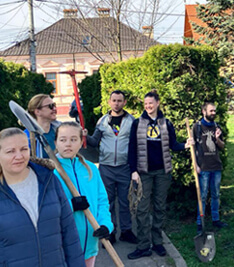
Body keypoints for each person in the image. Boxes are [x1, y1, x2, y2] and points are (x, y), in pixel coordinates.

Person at [0, 127, 85, 266]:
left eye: (24, 149)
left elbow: (69, 233)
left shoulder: (48, 180)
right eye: (10, 151)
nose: (19, 156)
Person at [127, 91, 192, 260]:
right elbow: (132, 147)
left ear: (157, 103)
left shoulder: (166, 123)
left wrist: (186, 145)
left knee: (159, 207)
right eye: (145, 103)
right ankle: (143, 245)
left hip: (163, 172)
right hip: (143, 172)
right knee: (141, 208)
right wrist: (133, 170)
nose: (148, 106)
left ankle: (157, 242)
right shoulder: (137, 123)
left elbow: (173, 145)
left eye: (151, 103)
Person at [54, 122, 113, 267]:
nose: (68, 144)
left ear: (81, 142)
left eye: (74, 139)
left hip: (89, 244)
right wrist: (71, 205)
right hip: (63, 246)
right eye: (63, 140)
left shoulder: (90, 168)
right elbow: (47, 208)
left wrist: (105, 224)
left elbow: (102, 200)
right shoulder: (51, 172)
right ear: (55, 142)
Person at [83, 90, 136, 245]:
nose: (117, 103)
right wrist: (85, 136)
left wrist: (135, 168)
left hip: (124, 166)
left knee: (125, 201)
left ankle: (126, 231)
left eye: (120, 100)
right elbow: (94, 142)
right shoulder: (102, 121)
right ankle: (111, 231)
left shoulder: (131, 121)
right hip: (106, 167)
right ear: (109, 102)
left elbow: (135, 145)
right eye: (114, 100)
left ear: (124, 102)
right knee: (108, 201)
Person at [193, 102, 228, 234]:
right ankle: (199, 222)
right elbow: (193, 147)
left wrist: (218, 138)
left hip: (216, 166)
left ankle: (215, 219)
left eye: (214, 111)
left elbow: (222, 146)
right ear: (204, 111)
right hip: (204, 167)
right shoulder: (197, 127)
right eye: (211, 111)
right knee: (202, 195)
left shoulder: (216, 126)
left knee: (215, 194)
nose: (213, 113)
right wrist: (195, 165)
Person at [25, 94, 61, 158]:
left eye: (54, 105)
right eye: (50, 106)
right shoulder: (27, 136)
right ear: (37, 112)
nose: (54, 108)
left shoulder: (60, 129)